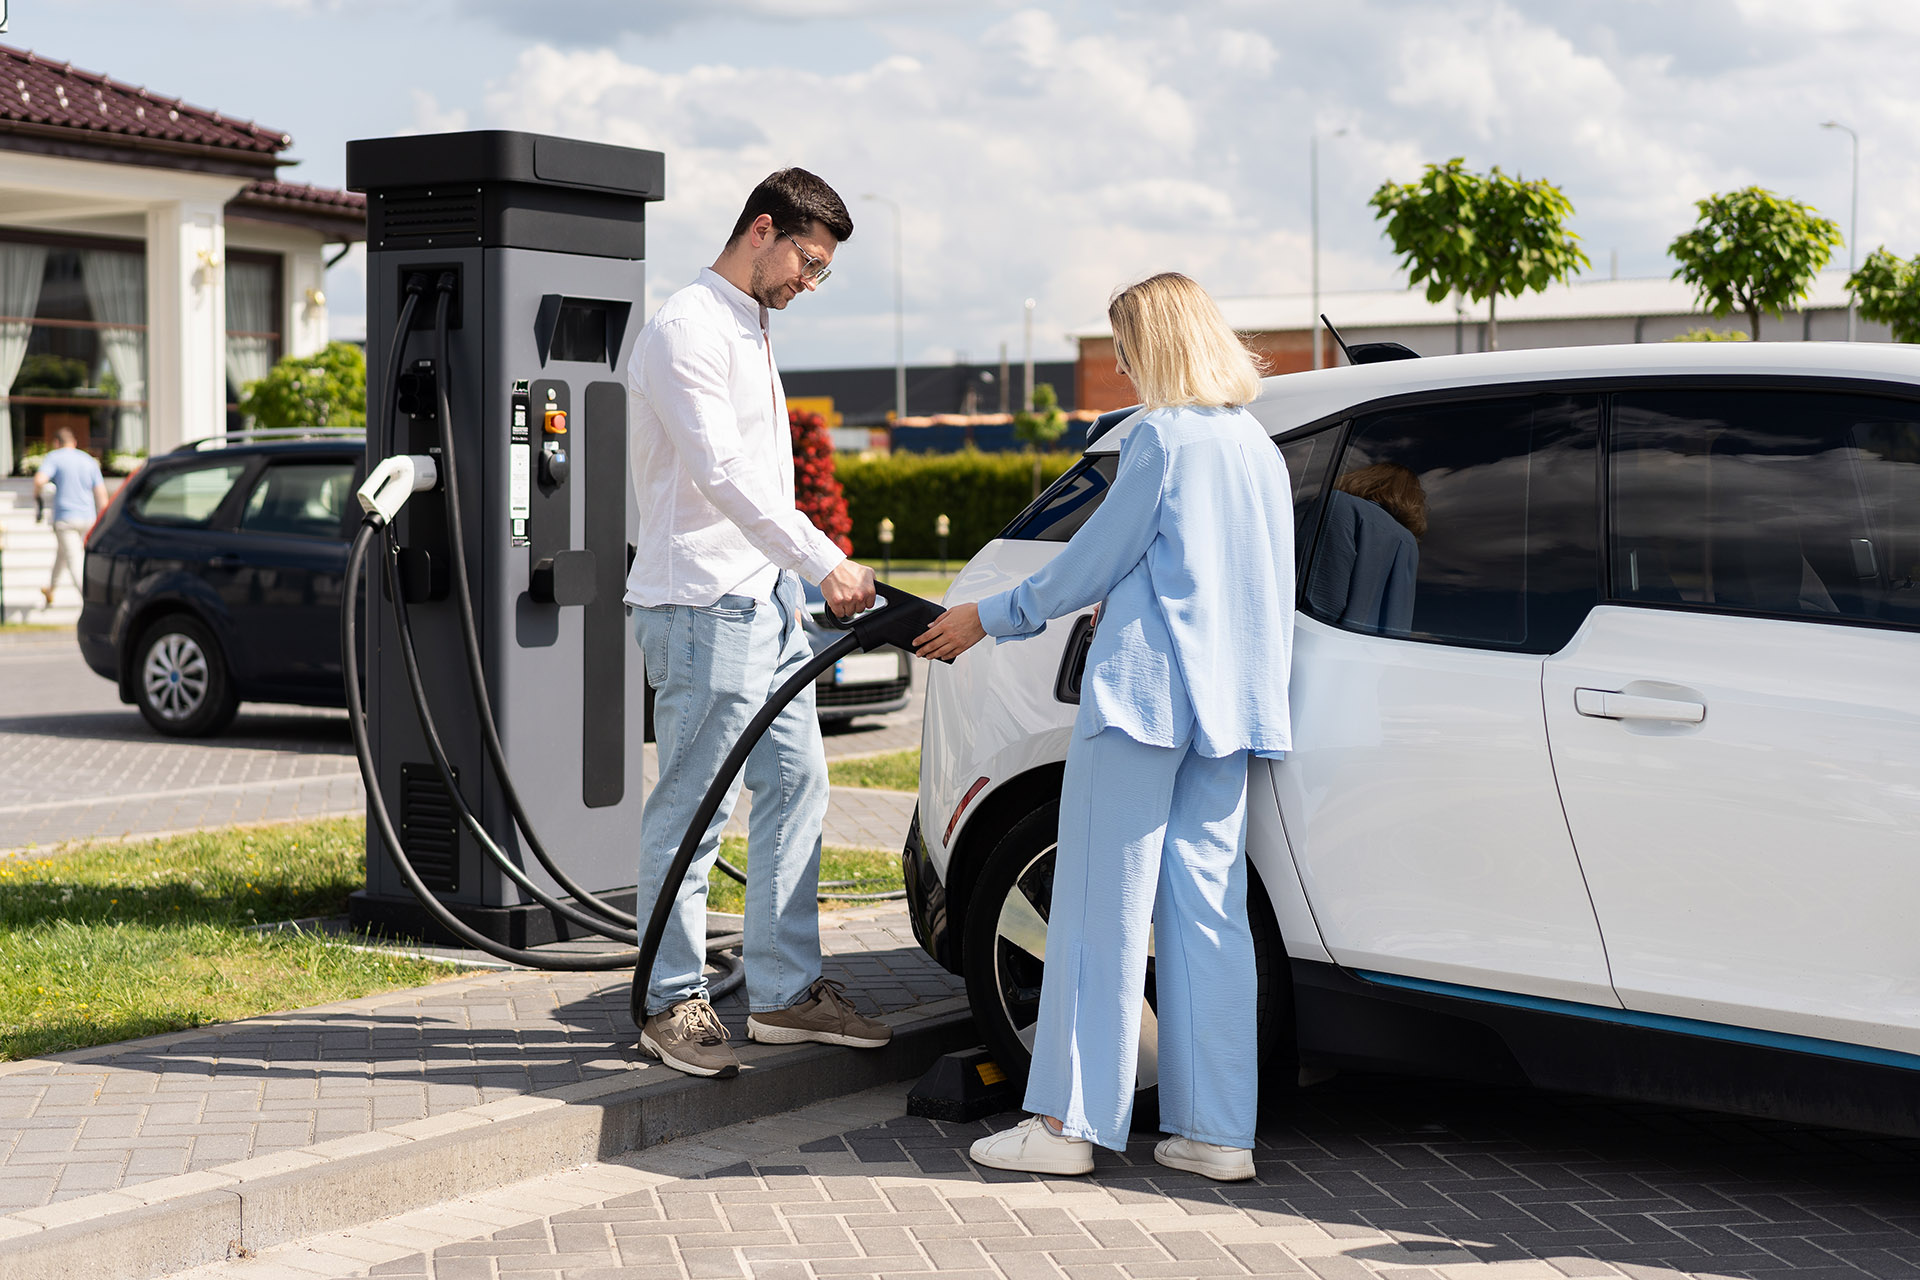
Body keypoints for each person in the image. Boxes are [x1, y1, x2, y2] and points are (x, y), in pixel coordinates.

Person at [915, 272, 1295, 1181]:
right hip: (1232, 711)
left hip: (1145, 702)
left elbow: (1090, 560)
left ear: (1154, 344)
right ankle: (1217, 1134)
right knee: (1209, 918)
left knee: (1097, 911)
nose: (1120, 365)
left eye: (1124, 346)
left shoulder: (1160, 439)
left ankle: (1065, 1128)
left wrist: (985, 618)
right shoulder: (1258, 448)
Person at [625, 168, 891, 1079]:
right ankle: (668, 1004)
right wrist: (827, 561)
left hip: (765, 602)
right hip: (701, 604)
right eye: (807, 263)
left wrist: (800, 576)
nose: (809, 285)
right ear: (763, 229)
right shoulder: (686, 329)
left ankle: (783, 996)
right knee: (696, 814)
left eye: (822, 273)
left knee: (799, 787)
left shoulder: (750, 323)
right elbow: (724, 476)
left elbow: (764, 487)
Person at [32, 428, 109, 608]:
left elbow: (39, 480)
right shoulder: (88, 460)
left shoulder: (55, 457)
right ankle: (51, 589)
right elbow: (101, 493)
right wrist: (103, 519)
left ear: (56, 443)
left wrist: (37, 497)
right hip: (88, 518)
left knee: (75, 559)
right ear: (74, 442)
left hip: (66, 518)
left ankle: (91, 601)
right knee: (63, 554)